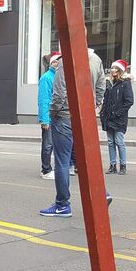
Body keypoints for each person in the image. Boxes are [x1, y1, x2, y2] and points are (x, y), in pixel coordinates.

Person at [39, 45, 107, 218]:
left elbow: (59, 92)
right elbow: (101, 86)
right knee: (85, 159)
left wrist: (52, 113)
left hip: (65, 116)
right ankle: (102, 194)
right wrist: (95, 104)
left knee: (62, 160)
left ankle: (62, 204)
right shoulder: (96, 59)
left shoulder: (66, 61)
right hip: (86, 116)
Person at [101, 59, 134, 175]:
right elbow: (106, 99)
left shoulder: (125, 83)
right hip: (108, 117)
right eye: (112, 68)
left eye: (116, 68)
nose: (113, 70)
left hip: (119, 118)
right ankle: (113, 165)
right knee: (110, 142)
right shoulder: (109, 82)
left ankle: (123, 165)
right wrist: (103, 113)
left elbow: (129, 101)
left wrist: (118, 113)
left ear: (120, 70)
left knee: (119, 141)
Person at [38, 53, 60, 180]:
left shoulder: (60, 76)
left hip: (59, 117)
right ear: (51, 63)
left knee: (57, 144)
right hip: (50, 118)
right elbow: (44, 99)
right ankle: (45, 169)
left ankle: (56, 168)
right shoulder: (46, 77)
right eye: (55, 61)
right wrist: (44, 119)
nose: (58, 64)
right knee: (48, 144)